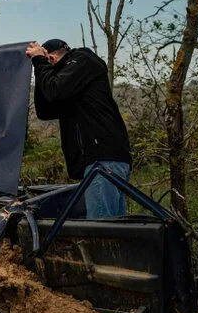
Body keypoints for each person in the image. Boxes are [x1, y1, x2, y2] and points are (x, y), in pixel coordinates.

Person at [26, 39, 132, 218]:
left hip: (102, 158)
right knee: (114, 227)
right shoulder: (74, 88)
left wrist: (40, 61)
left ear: (52, 58)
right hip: (103, 160)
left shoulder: (83, 59)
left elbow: (55, 90)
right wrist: (40, 68)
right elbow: (45, 111)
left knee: (101, 226)